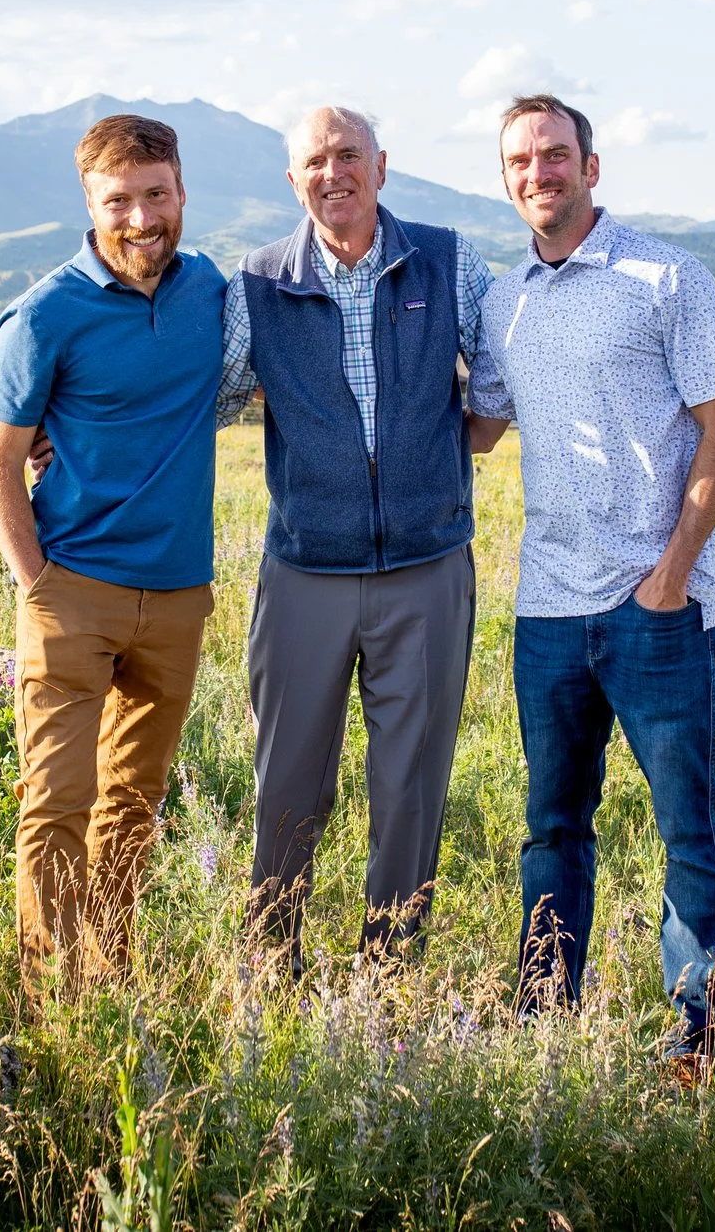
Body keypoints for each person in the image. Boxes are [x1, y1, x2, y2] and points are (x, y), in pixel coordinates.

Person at [466, 93, 715, 1066]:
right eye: (519, 160)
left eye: (554, 154)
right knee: (550, 828)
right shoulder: (503, 301)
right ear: (506, 180)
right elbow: (478, 427)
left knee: (689, 829)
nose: (537, 172)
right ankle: (543, 1018)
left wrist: (670, 576)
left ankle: (697, 1038)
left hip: (655, 610)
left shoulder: (665, 277)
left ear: (592, 165)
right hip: (545, 608)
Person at [219, 105, 493, 971]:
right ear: (292, 180)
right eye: (315, 161)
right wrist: (56, 426)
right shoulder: (254, 285)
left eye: (349, 155)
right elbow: (207, 399)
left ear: (383, 166)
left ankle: (388, 976)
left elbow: (497, 382)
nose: (333, 172)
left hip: (427, 566)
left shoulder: (448, 260)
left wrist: (445, 453)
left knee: (411, 786)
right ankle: (271, 965)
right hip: (305, 571)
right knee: (289, 782)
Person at [0, 113, 226, 992]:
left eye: (156, 196)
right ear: (90, 202)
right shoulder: (45, 314)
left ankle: (110, 979)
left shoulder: (212, 295)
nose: (141, 219)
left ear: (181, 193)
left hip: (179, 595)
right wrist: (37, 585)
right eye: (119, 201)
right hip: (72, 588)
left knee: (132, 807)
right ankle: (54, 1001)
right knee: (55, 805)